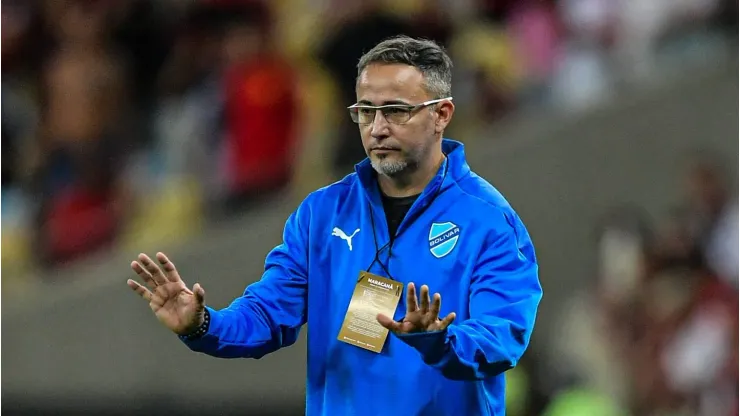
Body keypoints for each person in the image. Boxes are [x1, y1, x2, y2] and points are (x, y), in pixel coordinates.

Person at [127, 35, 543, 416]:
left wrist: (438, 340)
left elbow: (501, 337)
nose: (378, 128)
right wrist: (203, 324)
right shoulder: (322, 214)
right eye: (366, 112)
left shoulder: (489, 221)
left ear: (441, 115)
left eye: (396, 110)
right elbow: (268, 313)